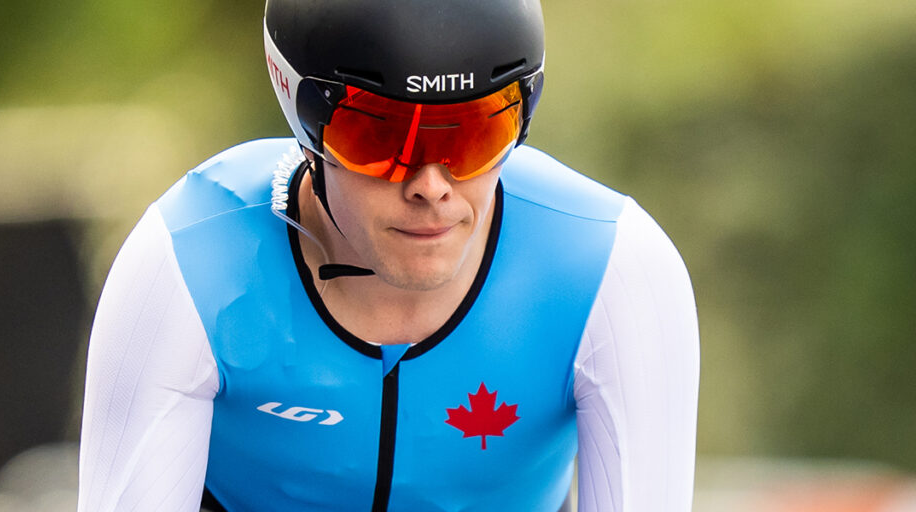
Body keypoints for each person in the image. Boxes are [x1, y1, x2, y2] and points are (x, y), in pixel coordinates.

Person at [76, 0, 700, 510]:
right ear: (305, 119)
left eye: (475, 132)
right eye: (381, 137)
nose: (431, 183)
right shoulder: (187, 263)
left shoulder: (613, 267)